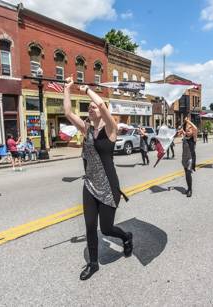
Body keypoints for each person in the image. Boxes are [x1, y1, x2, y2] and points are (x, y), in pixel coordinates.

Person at [63, 76, 132, 281]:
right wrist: (67, 88)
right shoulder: (86, 130)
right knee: (90, 226)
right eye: (89, 107)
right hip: (90, 185)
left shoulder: (111, 129)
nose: (91, 108)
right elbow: (67, 112)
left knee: (107, 228)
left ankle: (126, 237)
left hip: (109, 186)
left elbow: (101, 103)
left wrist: (86, 90)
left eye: (93, 107)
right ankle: (93, 264)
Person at [180, 118, 197, 197]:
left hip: (190, 159)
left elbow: (195, 128)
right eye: (187, 128)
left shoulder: (193, 138)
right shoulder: (184, 136)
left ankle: (190, 190)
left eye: (190, 128)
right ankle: (188, 188)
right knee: (186, 174)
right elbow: (183, 131)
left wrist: (188, 121)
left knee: (188, 174)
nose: (188, 129)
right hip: (184, 158)